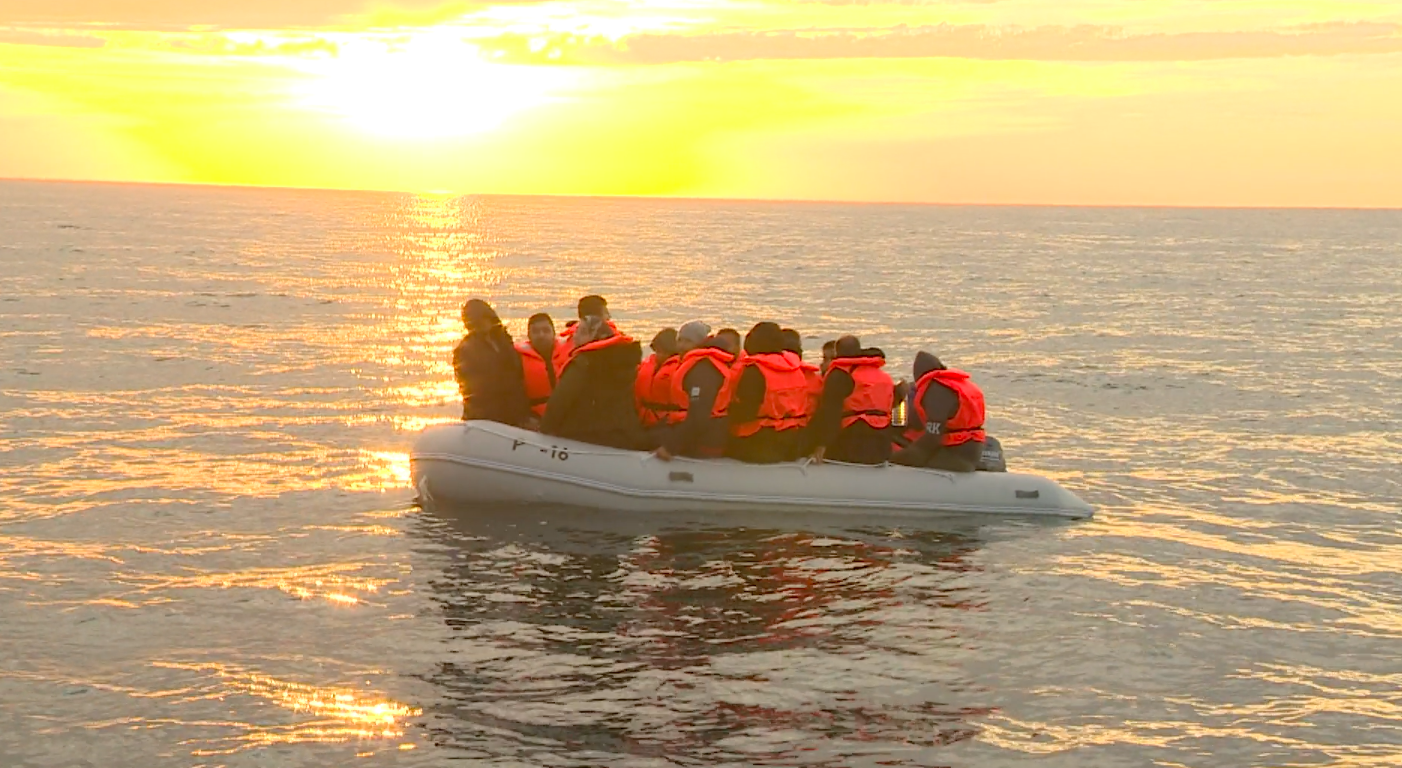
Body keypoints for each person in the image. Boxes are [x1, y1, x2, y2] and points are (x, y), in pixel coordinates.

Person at [540, 314, 647, 450]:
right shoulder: (625, 362)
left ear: (591, 336)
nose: (574, 336)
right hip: (622, 434)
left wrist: (545, 428)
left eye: (579, 332)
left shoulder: (583, 363)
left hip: (585, 434)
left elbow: (561, 399)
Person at [723, 322, 812, 463]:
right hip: (794, 440)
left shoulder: (755, 370)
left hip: (762, 442)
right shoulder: (795, 367)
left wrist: (722, 415)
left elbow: (747, 411)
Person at [891, 352, 986, 472]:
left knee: (899, 455)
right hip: (972, 447)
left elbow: (932, 438)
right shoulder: (955, 384)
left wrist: (897, 459)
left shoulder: (935, 390)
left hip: (955, 454)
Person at [807, 335, 894, 465]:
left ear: (838, 354)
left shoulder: (839, 375)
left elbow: (830, 412)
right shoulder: (881, 375)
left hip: (853, 441)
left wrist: (821, 445)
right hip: (882, 442)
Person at [655, 321, 735, 460]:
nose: (681, 346)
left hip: (706, 438)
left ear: (700, 343)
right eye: (679, 340)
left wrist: (670, 447)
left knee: (642, 439)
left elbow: (699, 416)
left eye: (688, 341)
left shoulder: (704, 368)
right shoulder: (696, 364)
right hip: (696, 430)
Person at [452, 299, 531, 426]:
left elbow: (518, 375)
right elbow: (471, 391)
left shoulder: (504, 340)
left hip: (514, 411)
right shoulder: (465, 350)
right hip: (486, 417)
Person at [516, 313, 570, 422]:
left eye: (546, 330)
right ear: (529, 335)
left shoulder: (570, 352)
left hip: (569, 414)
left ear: (553, 333)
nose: (541, 335)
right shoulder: (517, 359)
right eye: (535, 332)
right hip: (535, 418)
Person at [635, 328, 682, 430]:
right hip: (642, 420)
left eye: (663, 351)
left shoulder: (681, 367)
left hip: (668, 423)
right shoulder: (646, 364)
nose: (659, 354)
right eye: (657, 350)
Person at [781, 327, 823, 426]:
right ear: (800, 351)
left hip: (777, 428)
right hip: (807, 426)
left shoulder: (764, 373)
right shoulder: (815, 379)